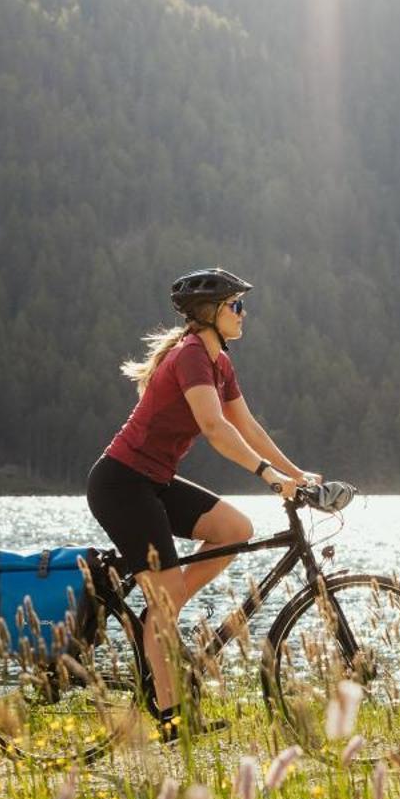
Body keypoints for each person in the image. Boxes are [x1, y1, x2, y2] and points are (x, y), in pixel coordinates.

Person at [88, 267, 318, 740]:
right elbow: (215, 429)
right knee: (165, 604)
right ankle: (173, 719)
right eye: (236, 305)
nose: (243, 313)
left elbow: (247, 426)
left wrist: (295, 474)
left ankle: (163, 616)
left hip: (152, 482)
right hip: (122, 484)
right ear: (210, 313)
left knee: (235, 529)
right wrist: (269, 477)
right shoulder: (191, 356)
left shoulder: (219, 362)